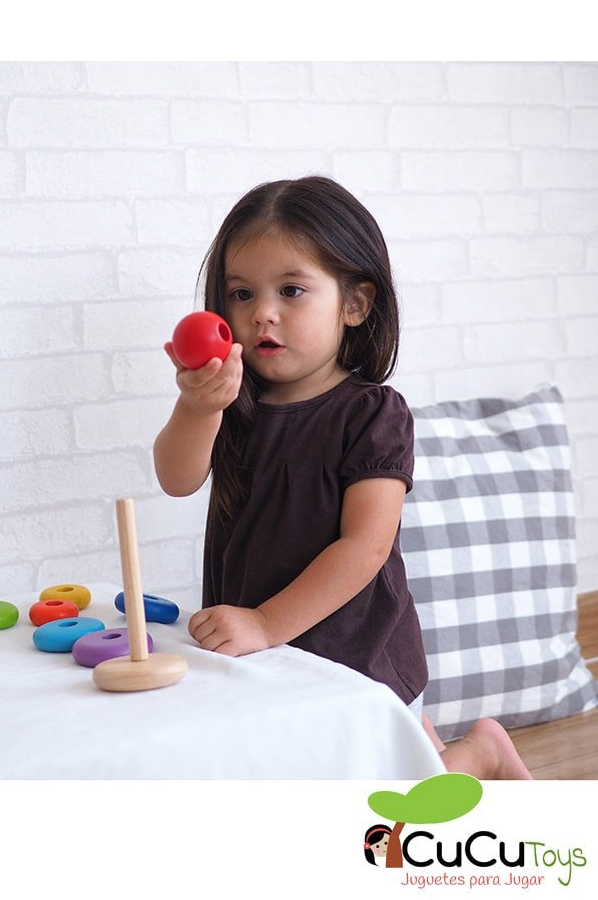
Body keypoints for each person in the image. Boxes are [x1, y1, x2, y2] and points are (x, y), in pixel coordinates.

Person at [153, 176, 532, 780]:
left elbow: (366, 546)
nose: (262, 313)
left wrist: (264, 623)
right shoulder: (236, 407)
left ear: (354, 305)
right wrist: (197, 407)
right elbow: (176, 478)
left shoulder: (372, 414)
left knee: (388, 803)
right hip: (268, 658)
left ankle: (479, 753)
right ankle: (439, 752)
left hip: (358, 655)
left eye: (292, 290)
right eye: (242, 293)